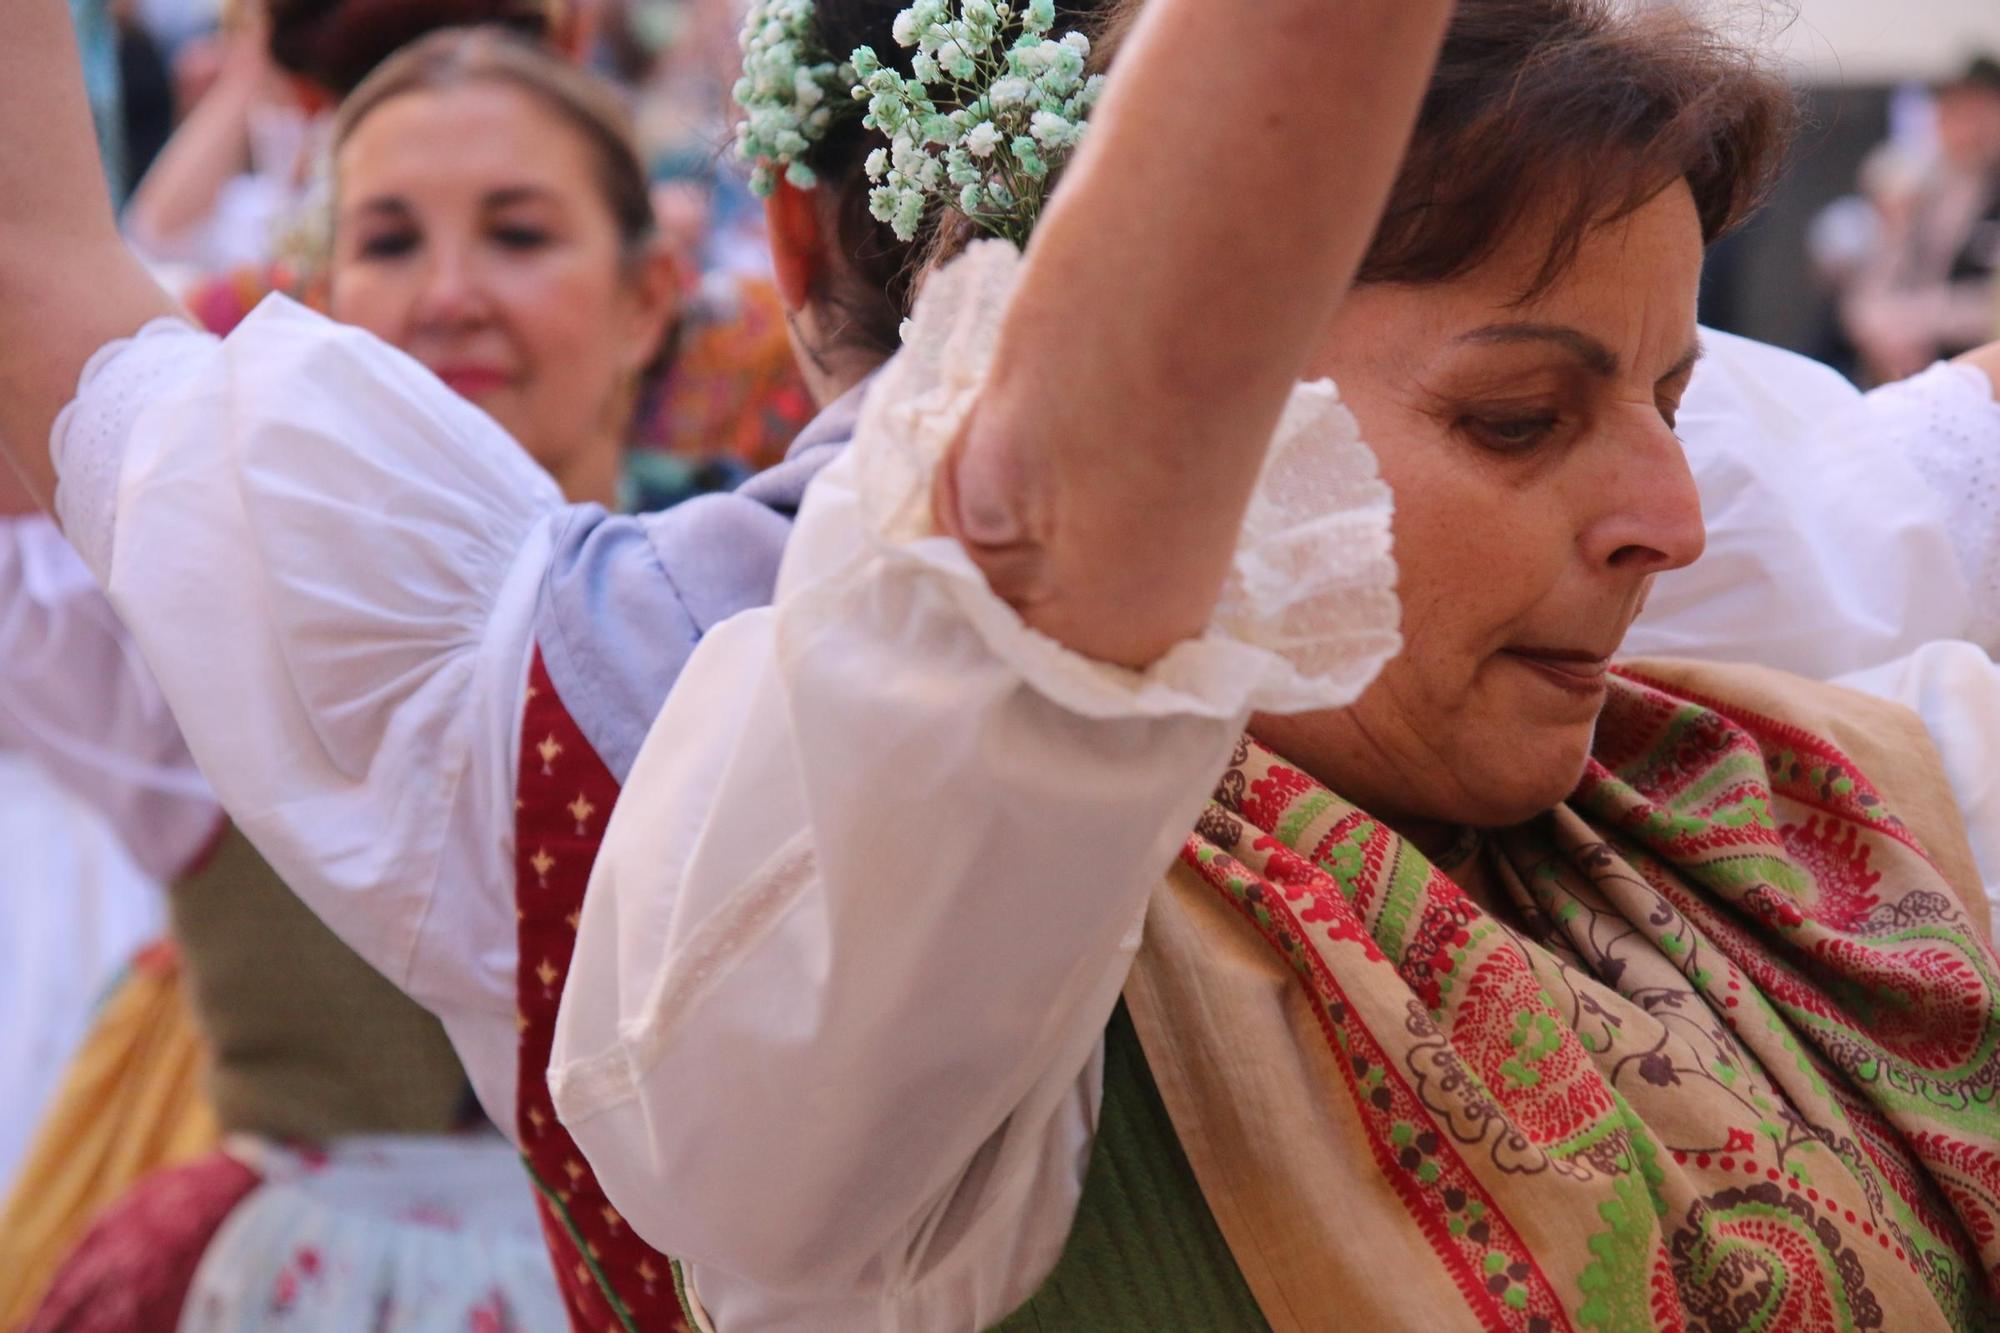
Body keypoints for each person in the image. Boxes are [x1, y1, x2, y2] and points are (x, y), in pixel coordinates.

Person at [3, 0, 1999, 1326]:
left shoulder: (1784, 778)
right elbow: (1039, 599)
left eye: (1672, 392)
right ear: (1196, 381)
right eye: (1519, 417)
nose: (1678, 510)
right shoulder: (893, 859)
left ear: (702, 277)